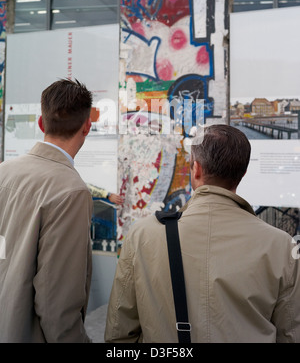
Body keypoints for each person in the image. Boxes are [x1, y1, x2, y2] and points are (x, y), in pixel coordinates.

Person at [105, 124, 300, 343]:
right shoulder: (281, 245)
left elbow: (119, 333)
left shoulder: (143, 235)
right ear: (243, 173)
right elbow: (290, 334)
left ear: (195, 169)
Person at [0, 78, 94, 343]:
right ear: (87, 127)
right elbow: (57, 304)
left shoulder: (3, 172)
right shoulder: (72, 191)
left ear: (41, 124)